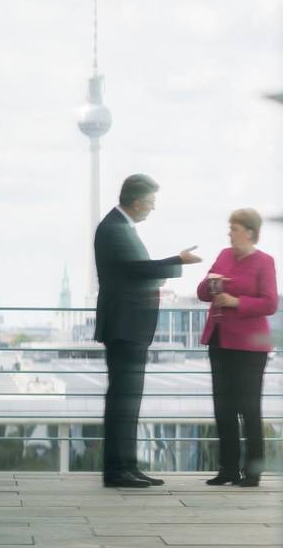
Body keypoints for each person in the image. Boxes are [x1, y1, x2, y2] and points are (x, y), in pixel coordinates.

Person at [94, 174, 202, 488]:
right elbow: (138, 270)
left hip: (131, 327)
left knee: (129, 402)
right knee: (122, 402)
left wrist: (162, 272)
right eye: (151, 203)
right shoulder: (114, 229)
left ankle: (127, 467)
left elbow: (136, 274)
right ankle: (117, 471)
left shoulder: (120, 227)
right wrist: (177, 261)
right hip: (125, 327)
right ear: (138, 201)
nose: (152, 209)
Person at [197, 208, 279, 487]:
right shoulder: (223, 255)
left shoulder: (264, 262)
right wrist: (211, 288)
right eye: (229, 228)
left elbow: (270, 303)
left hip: (249, 347)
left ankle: (253, 471)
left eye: (234, 229)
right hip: (220, 341)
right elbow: (200, 292)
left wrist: (236, 302)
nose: (229, 233)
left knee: (249, 407)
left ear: (249, 232)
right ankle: (228, 469)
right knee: (224, 408)